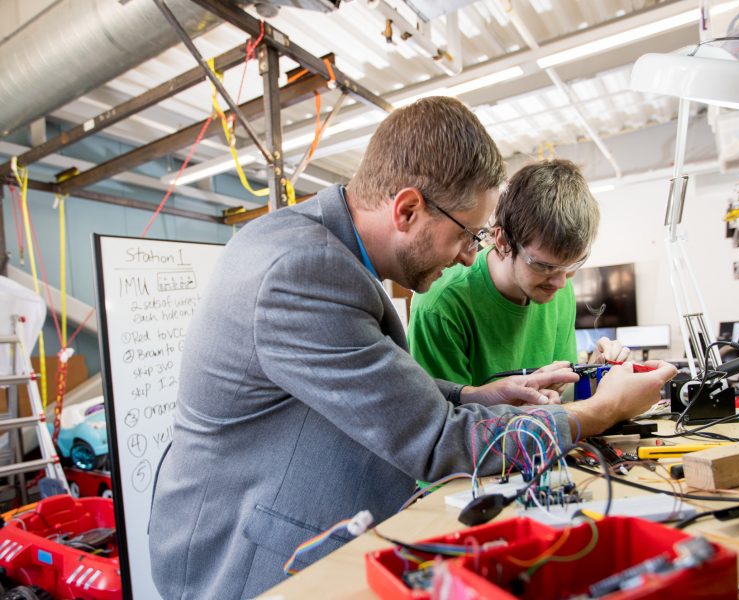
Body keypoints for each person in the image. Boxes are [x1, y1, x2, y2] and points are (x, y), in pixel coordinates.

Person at [148, 97, 676, 599]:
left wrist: (478, 394)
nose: (471, 258)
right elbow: (439, 443)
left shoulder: (323, 253)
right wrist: (601, 411)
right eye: (468, 235)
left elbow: (374, 380)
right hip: (245, 562)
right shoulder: (304, 273)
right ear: (407, 210)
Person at [408, 159, 629, 388]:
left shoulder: (558, 290)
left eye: (572, 266)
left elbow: (564, 397)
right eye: (544, 266)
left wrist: (594, 372)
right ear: (503, 241)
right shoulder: (440, 305)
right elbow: (443, 419)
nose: (561, 282)